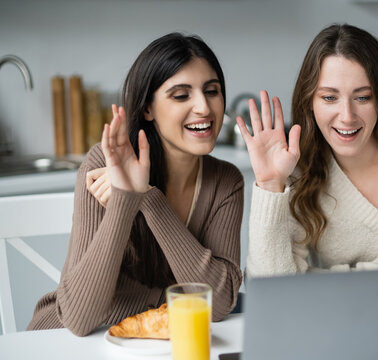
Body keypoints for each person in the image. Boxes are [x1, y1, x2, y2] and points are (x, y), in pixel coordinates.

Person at [27, 33, 244, 336]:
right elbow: (79, 318)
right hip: (67, 343)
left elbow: (218, 304)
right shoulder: (104, 165)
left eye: (212, 91)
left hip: (158, 341)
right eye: (181, 95)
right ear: (147, 109)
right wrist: (125, 198)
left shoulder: (226, 181)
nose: (204, 108)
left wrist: (148, 199)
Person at [237, 24, 378, 277]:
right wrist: (270, 184)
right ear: (310, 103)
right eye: (329, 98)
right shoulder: (297, 164)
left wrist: (330, 281)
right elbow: (272, 289)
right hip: (336, 316)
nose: (347, 117)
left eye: (362, 97)